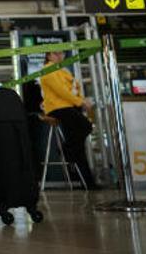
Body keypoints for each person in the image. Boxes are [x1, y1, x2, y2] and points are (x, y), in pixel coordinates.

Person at [39, 51, 98, 189]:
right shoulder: (48, 69)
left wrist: (80, 100)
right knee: (86, 127)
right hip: (58, 108)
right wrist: (80, 102)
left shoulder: (63, 70)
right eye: (56, 54)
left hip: (69, 107)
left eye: (62, 54)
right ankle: (67, 150)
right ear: (48, 56)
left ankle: (88, 182)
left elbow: (74, 87)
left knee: (79, 147)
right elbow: (61, 91)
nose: (60, 56)